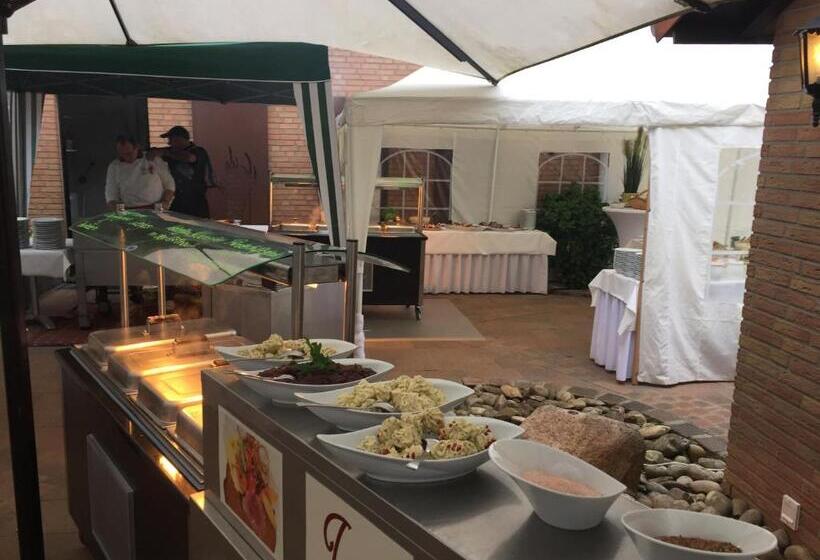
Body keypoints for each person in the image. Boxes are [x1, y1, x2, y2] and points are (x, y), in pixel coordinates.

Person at [149, 125, 214, 218]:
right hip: (176, 200)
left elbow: (189, 158)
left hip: (195, 200)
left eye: (172, 140)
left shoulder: (199, 151)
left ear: (181, 139)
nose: (169, 143)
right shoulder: (170, 153)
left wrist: (166, 153)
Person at [105, 135, 175, 210]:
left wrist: (165, 201)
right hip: (129, 210)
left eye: (129, 153)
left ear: (137, 147)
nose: (126, 157)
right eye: (122, 154)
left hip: (155, 208)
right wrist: (117, 209)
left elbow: (169, 184)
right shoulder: (114, 166)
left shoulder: (153, 159)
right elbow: (111, 194)